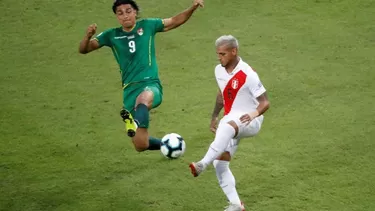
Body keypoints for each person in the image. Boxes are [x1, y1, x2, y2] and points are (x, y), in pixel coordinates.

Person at [78, 0, 204, 152]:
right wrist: (87, 36)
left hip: (150, 84)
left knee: (142, 100)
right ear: (117, 17)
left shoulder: (148, 25)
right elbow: (84, 49)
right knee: (141, 144)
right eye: (120, 13)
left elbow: (174, 21)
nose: (125, 15)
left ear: (135, 12)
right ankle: (168, 146)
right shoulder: (111, 35)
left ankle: (135, 122)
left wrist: (193, 7)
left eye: (128, 11)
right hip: (129, 90)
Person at [189, 35, 270, 211]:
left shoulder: (248, 74)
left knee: (227, 125)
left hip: (251, 120)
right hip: (232, 119)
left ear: (234, 52)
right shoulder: (219, 70)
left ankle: (202, 163)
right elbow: (221, 95)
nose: (220, 57)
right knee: (221, 164)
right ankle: (235, 204)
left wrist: (253, 114)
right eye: (218, 54)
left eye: (223, 54)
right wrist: (213, 116)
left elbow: (265, 102)